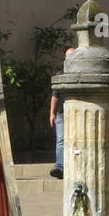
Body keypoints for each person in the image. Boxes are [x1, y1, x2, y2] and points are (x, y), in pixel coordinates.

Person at [48, 44, 76, 179]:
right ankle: (59, 167)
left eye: (72, 56)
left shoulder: (81, 74)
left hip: (77, 114)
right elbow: (55, 95)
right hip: (62, 114)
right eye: (68, 57)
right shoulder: (60, 75)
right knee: (61, 140)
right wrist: (51, 113)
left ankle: (74, 166)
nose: (70, 59)